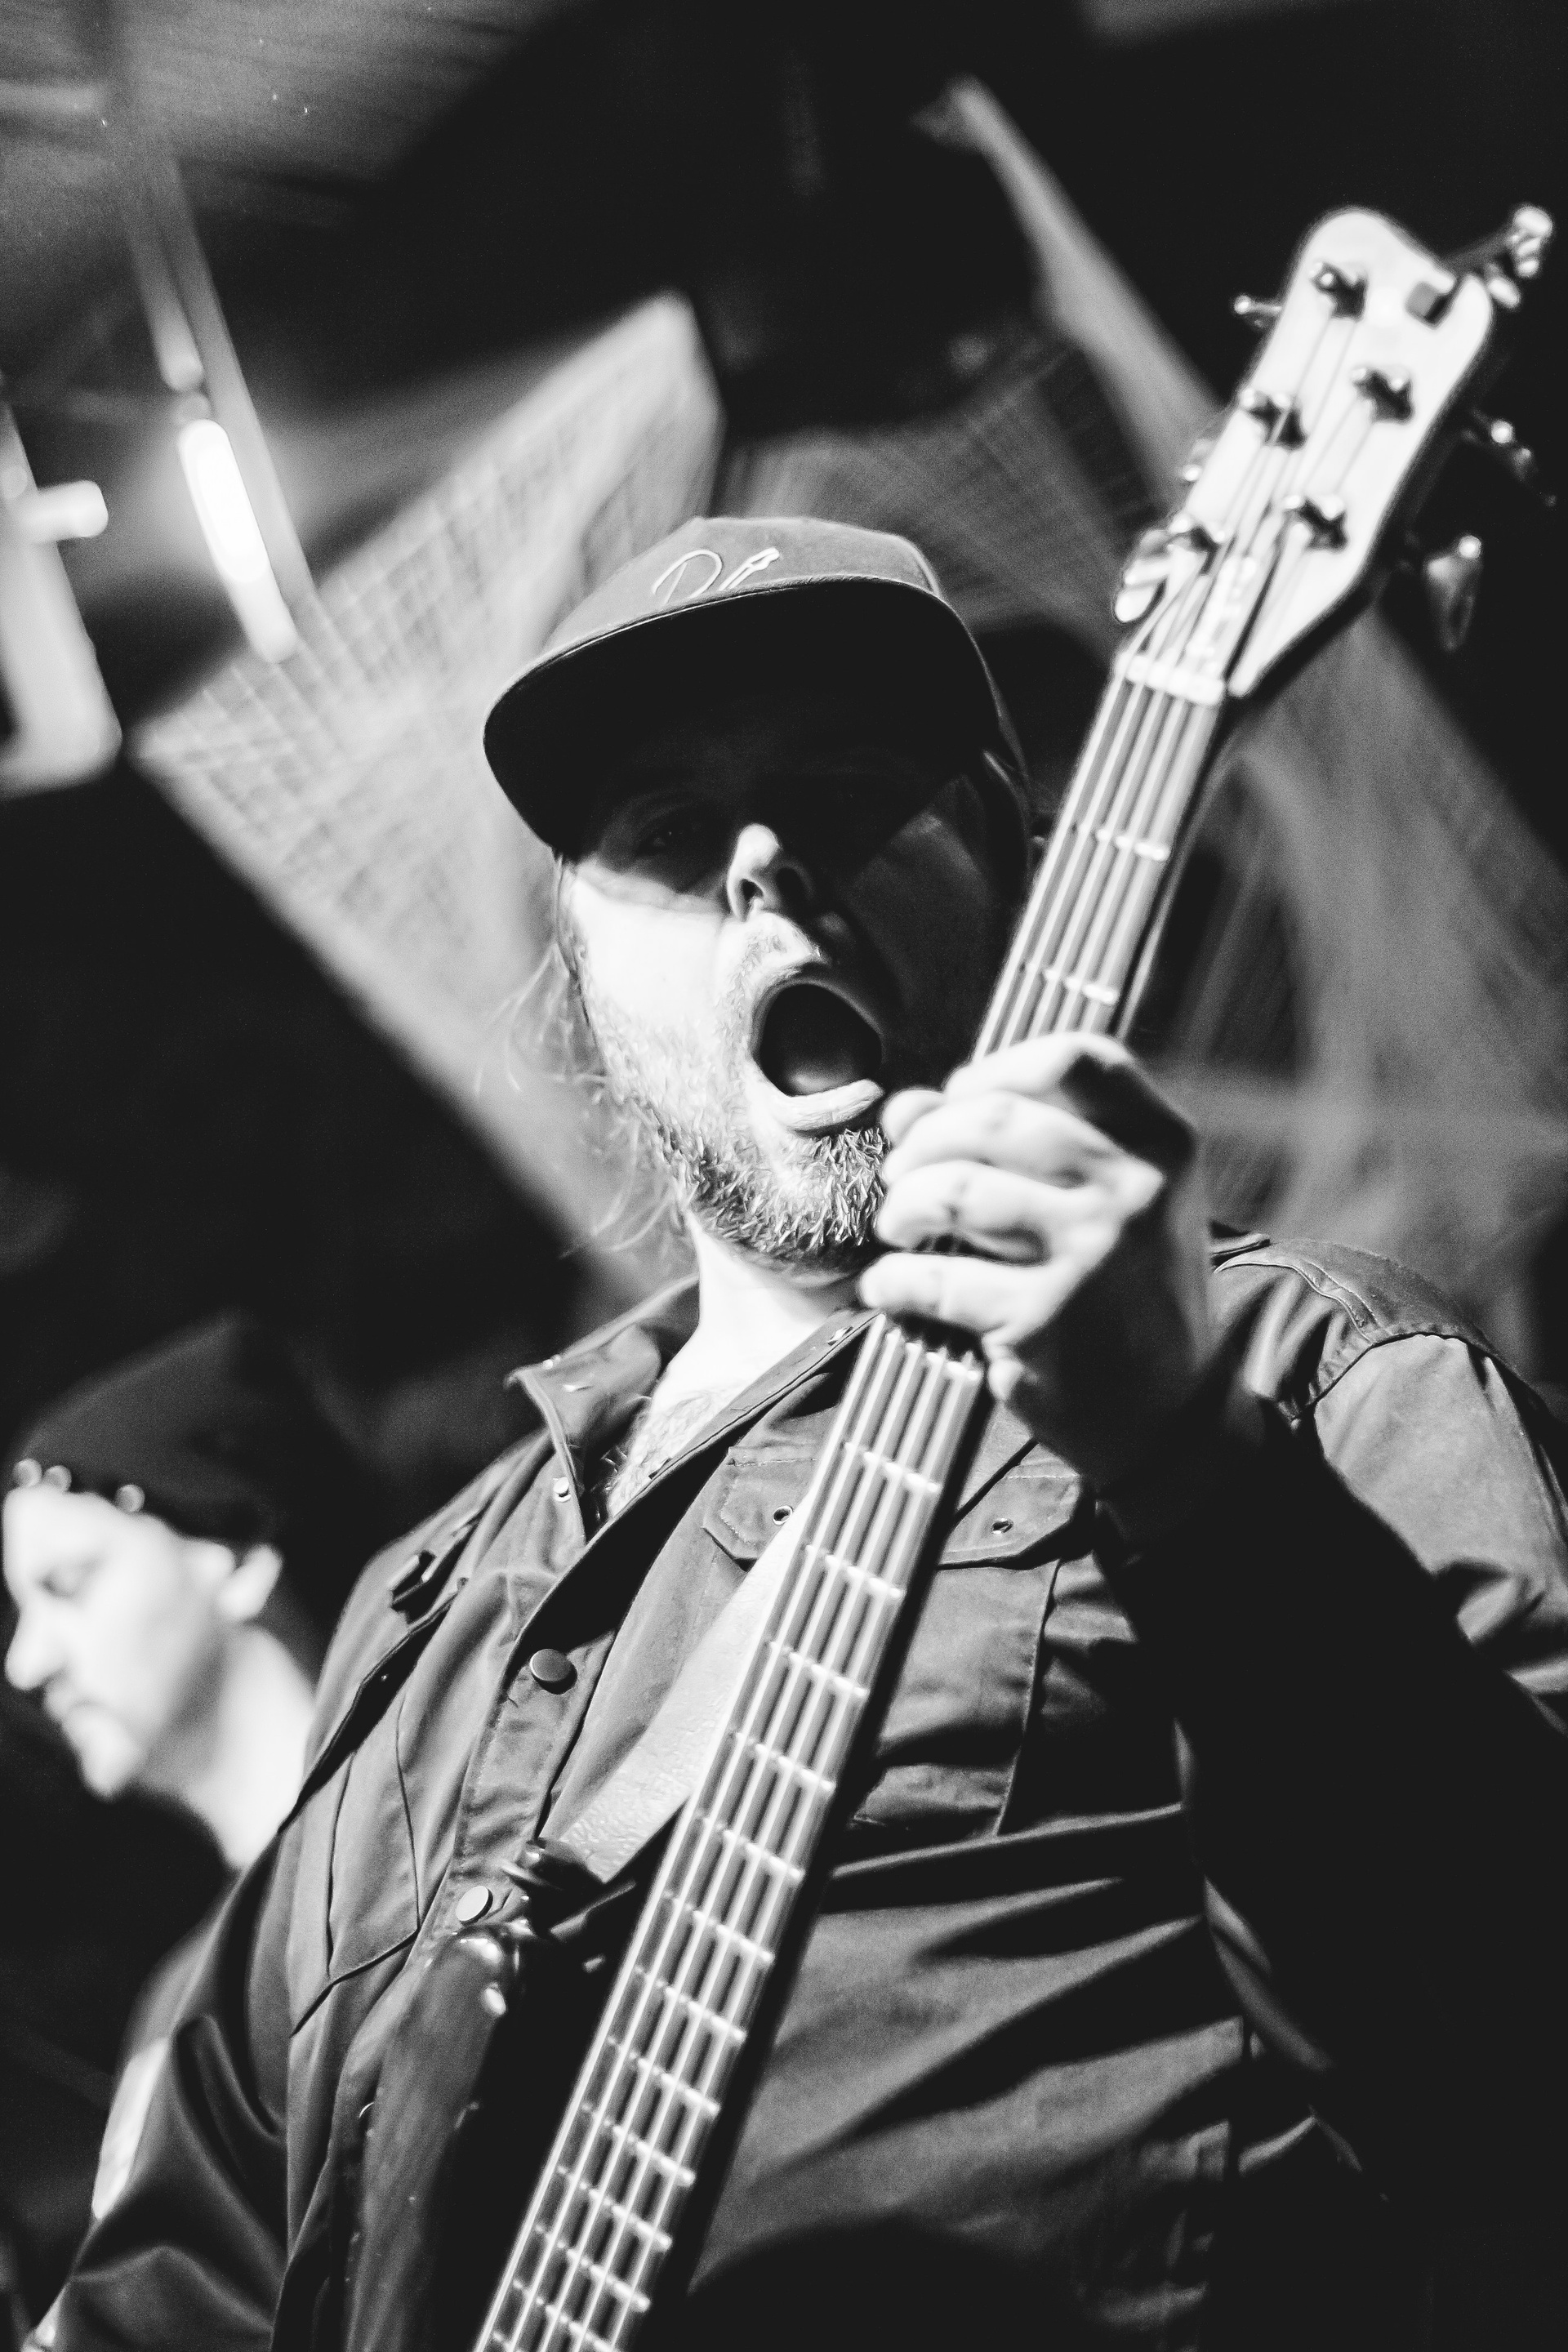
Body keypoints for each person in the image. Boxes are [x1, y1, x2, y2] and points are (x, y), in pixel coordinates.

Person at [45, 519, 1568, 2351]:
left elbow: (1520, 2068)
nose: (766, 868)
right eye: (671, 834)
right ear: (582, 964)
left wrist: (1185, 1464)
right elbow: (195, 2273)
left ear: (1017, 864)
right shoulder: (424, 1608)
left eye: (843, 795)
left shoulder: (1315, 1383)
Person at [3, 1315, 376, 2243]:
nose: (26, 1662)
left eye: (68, 1584)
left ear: (237, 1552)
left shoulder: (446, 1824)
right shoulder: (174, 2017)